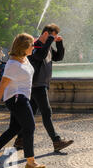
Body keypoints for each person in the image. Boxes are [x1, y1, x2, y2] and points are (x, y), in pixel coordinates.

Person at [0, 33, 45, 168]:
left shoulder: (24, 58)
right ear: (24, 47)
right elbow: (2, 86)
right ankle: (30, 161)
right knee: (29, 127)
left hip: (22, 97)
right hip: (17, 99)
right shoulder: (13, 64)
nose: (33, 47)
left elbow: (35, 43)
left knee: (14, 129)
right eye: (31, 45)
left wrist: (44, 39)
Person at [13, 24, 73, 153]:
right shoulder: (35, 44)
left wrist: (60, 43)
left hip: (42, 84)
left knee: (31, 114)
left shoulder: (47, 46)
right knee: (47, 112)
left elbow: (58, 57)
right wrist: (49, 40)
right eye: (53, 35)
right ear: (46, 34)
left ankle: (20, 140)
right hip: (36, 85)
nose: (54, 38)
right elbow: (39, 56)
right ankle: (56, 141)